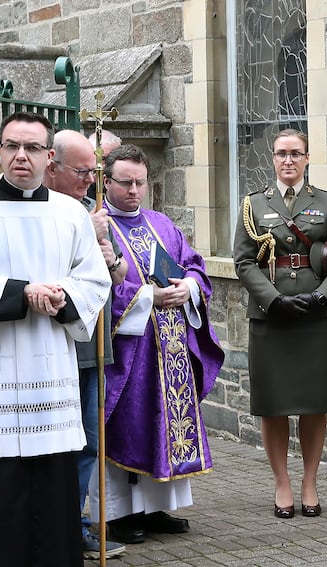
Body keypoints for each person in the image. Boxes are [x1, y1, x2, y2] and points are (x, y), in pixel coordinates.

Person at [0, 111, 111, 567]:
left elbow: (93, 284)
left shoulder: (70, 213)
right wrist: (21, 293)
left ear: (49, 157)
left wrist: (61, 296)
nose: (21, 157)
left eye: (32, 148)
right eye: (12, 146)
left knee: (47, 489)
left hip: (47, 373)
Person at [88, 144, 224, 545]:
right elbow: (97, 289)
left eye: (140, 183)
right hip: (131, 353)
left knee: (164, 425)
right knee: (128, 425)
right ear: (106, 181)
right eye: (125, 182)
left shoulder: (162, 224)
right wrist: (149, 298)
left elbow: (194, 265)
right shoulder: (96, 228)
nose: (133, 190)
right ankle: (118, 514)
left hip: (172, 346)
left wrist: (189, 287)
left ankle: (156, 506)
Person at [233, 128, 327, 518]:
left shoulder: (326, 202)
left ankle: (309, 482)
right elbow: (243, 261)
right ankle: (282, 484)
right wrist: (271, 300)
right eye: (281, 154)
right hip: (270, 315)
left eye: (296, 154)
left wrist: (323, 295)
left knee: (312, 403)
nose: (288, 161)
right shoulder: (254, 205)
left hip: (314, 314)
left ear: (307, 158)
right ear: (272, 159)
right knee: (273, 404)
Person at [44, 129, 128, 560]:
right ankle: (56, 525)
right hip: (54, 346)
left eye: (94, 172)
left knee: (90, 441)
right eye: (83, 171)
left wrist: (106, 252)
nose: (91, 181)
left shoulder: (89, 211)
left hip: (95, 345)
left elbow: (113, 280)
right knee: (56, 442)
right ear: (52, 166)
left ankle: (77, 523)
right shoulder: (41, 210)